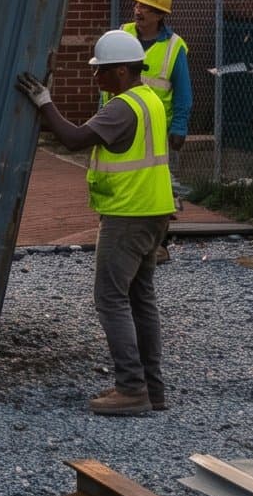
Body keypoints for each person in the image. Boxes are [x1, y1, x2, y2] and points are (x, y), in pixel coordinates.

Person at [16, 30, 176, 416]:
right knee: (141, 298)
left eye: (101, 71)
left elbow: (73, 139)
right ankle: (152, 389)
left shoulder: (122, 108)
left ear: (122, 71)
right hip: (154, 212)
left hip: (128, 215)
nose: (95, 78)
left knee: (110, 298)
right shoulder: (149, 100)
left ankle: (131, 389)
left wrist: (44, 102)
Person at [122, 0, 194, 154]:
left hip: (154, 129)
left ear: (160, 15)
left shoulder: (174, 47)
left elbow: (183, 93)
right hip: (121, 122)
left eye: (145, 7)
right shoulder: (123, 34)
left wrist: (179, 128)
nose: (138, 10)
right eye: (137, 5)